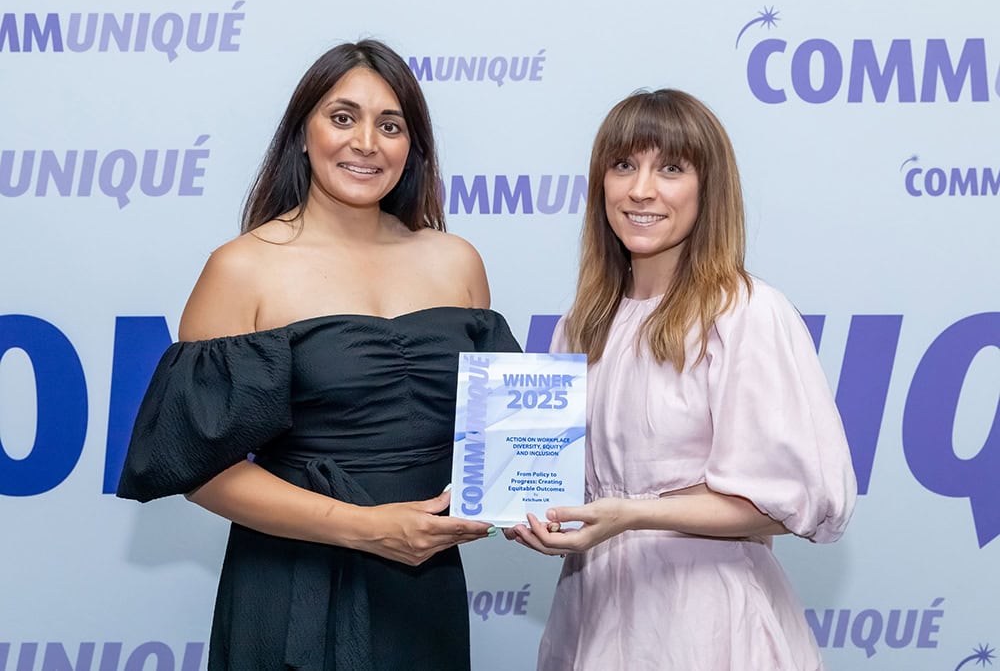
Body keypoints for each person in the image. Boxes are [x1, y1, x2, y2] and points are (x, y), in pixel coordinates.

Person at [117, 39, 520, 671]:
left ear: (412, 147)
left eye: (390, 125)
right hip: (291, 588)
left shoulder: (457, 262)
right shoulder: (242, 267)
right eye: (342, 117)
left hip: (424, 586)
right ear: (302, 134)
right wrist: (366, 528)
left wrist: (535, 502)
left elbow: (502, 448)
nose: (366, 142)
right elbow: (198, 469)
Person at [507, 89, 857, 670]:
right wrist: (525, 511)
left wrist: (632, 513)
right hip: (593, 614)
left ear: (707, 189)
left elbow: (792, 501)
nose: (641, 190)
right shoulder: (581, 324)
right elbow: (556, 484)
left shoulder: (745, 312)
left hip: (708, 624)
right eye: (624, 165)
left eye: (671, 168)